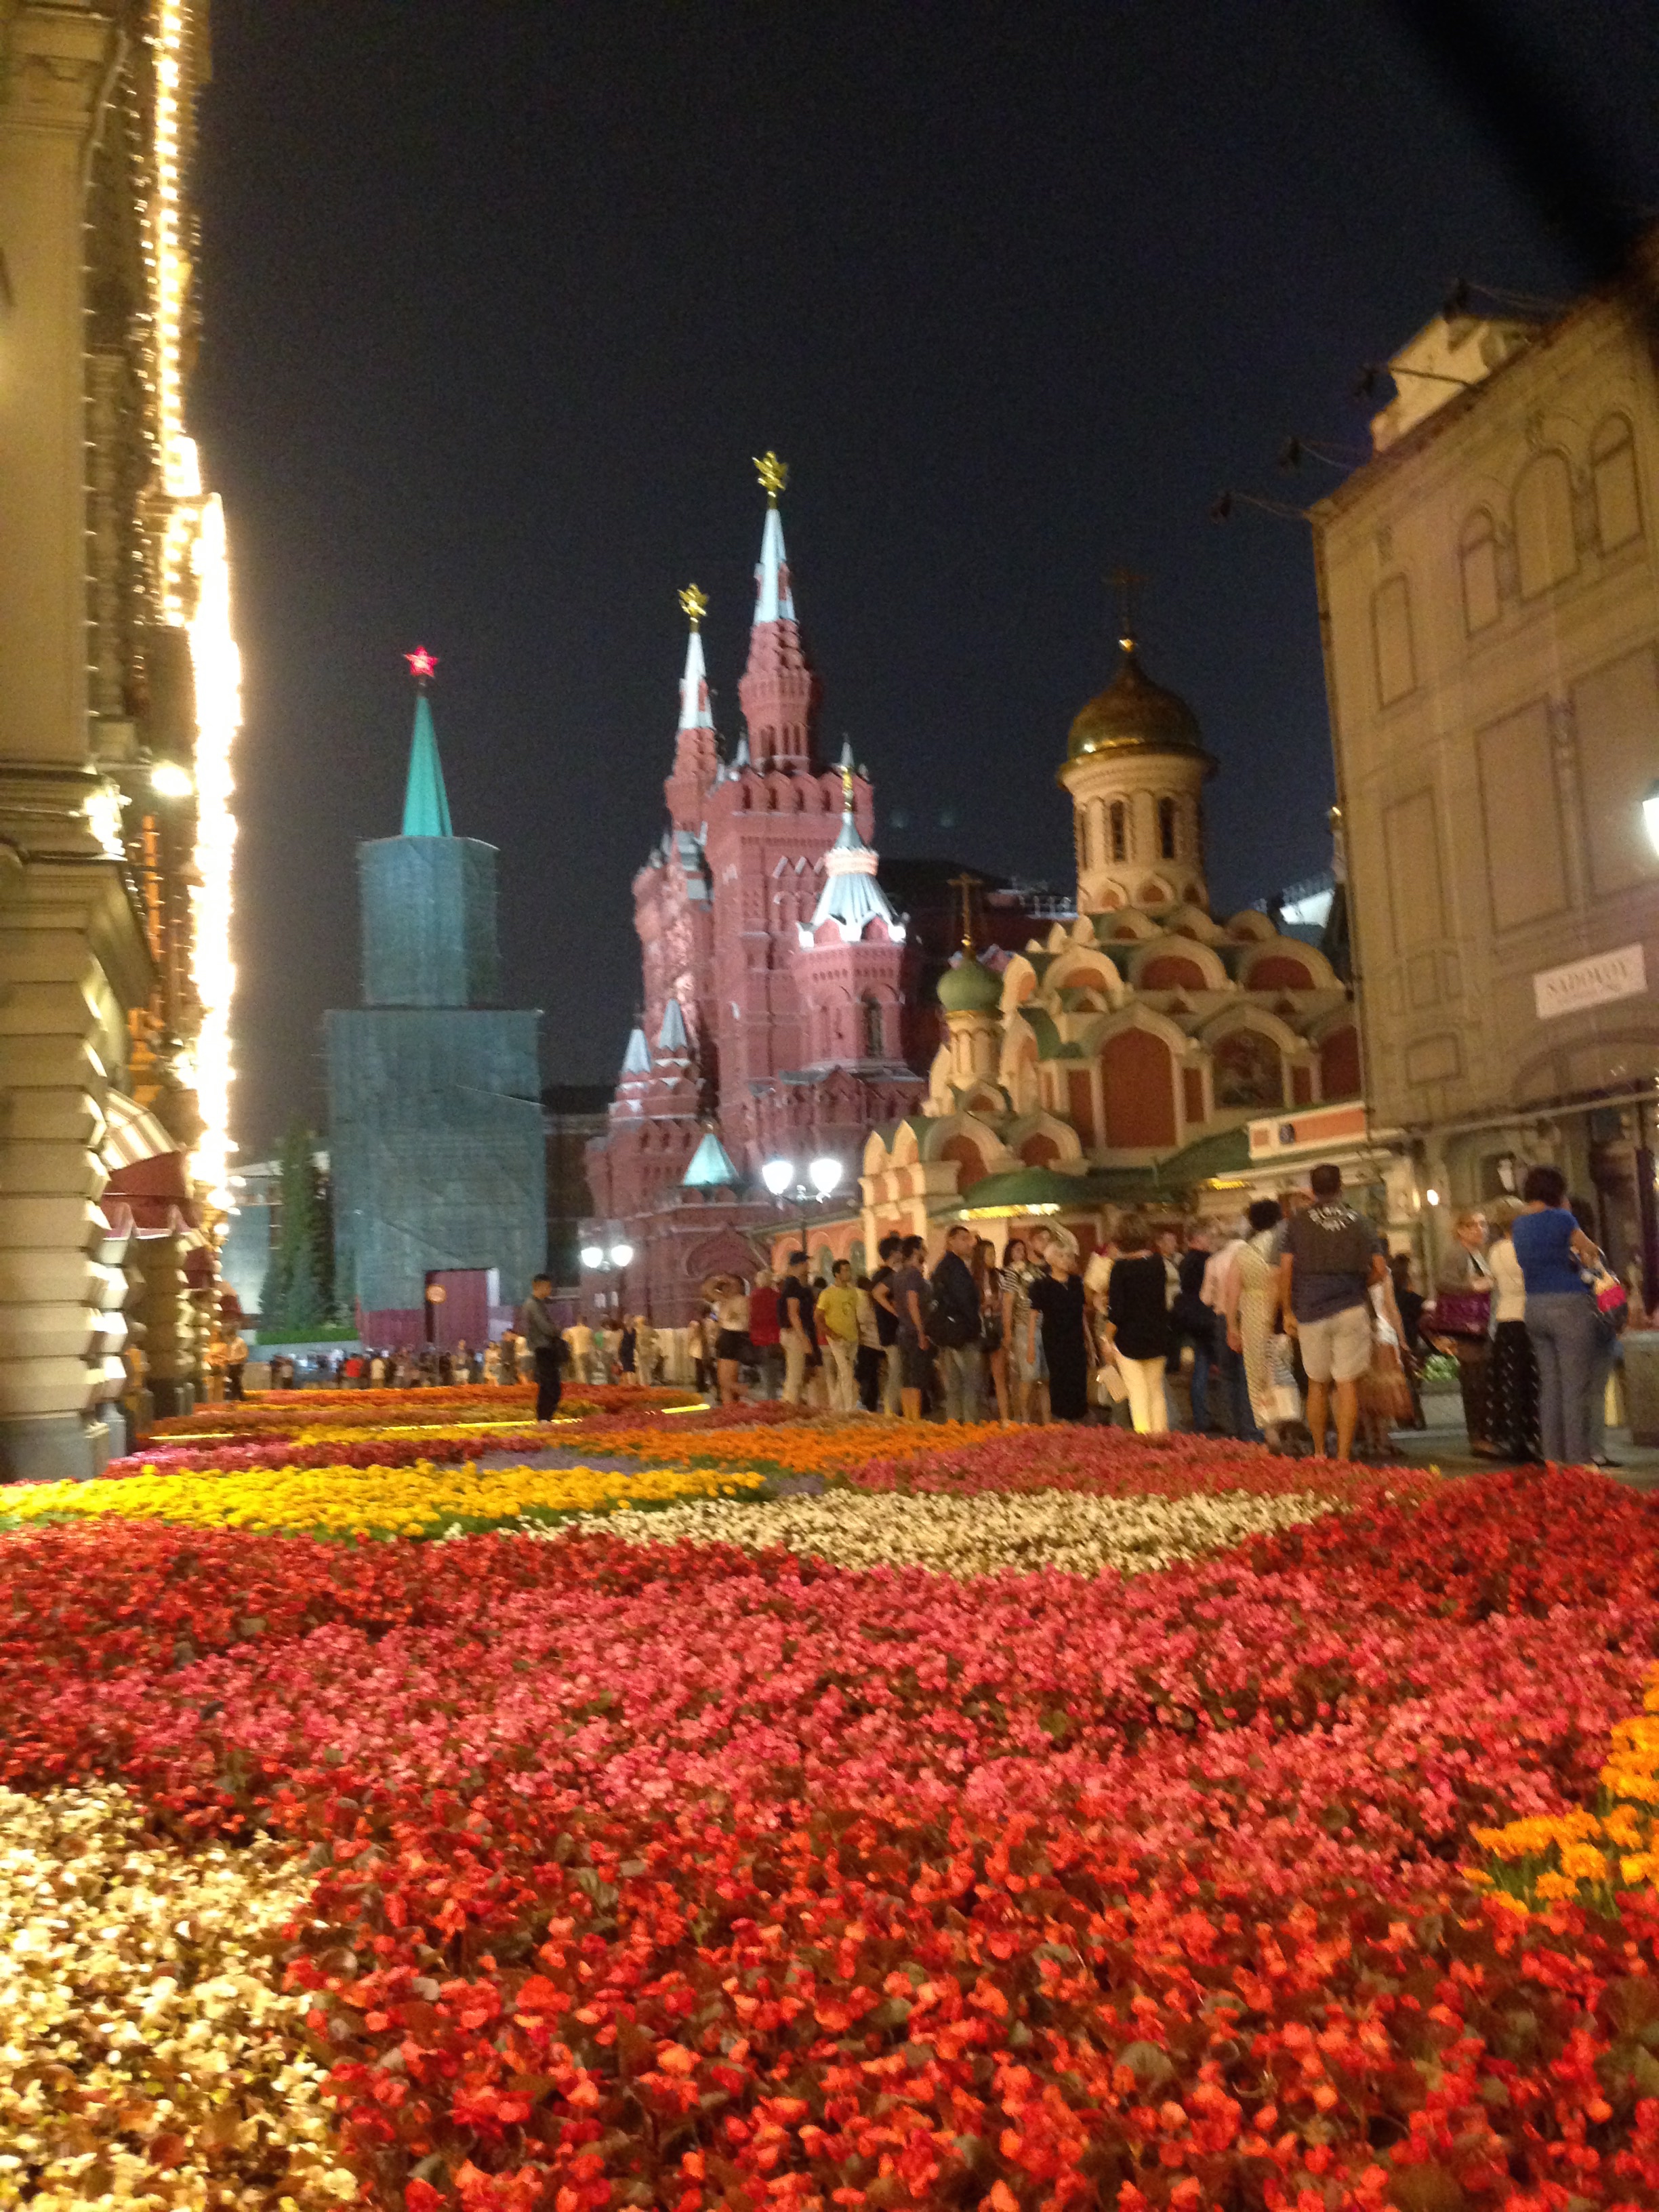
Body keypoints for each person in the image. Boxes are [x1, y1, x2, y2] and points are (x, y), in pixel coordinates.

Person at [1277, 1163, 1387, 1462]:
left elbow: (1285, 1269)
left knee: (1316, 1383)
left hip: (1311, 1310)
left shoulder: (1297, 1224)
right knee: (1347, 1383)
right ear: (1341, 1188)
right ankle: (1343, 1456)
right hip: (1351, 1307)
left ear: (1312, 1190)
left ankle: (1320, 1452)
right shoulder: (1360, 1221)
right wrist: (1360, 1286)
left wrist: (1287, 1309)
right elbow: (1380, 1269)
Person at [1513, 1164, 1602, 1465]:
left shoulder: (1519, 1224)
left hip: (1534, 1307)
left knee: (1550, 1387)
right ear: (1556, 1190)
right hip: (1568, 1305)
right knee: (1574, 1388)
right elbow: (1591, 1251)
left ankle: (1552, 1460)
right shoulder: (1562, 1218)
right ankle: (1577, 1461)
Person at [1429, 1209, 1496, 1456]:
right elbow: (1444, 1283)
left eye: (1483, 1224)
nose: (1481, 1229)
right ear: (1460, 1230)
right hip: (1467, 1325)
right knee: (1474, 1378)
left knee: (1481, 1377)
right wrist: (1474, 1286)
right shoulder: (1457, 1253)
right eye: (1473, 1225)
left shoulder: (1476, 1253)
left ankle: (1483, 1433)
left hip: (1479, 1324)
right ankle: (1478, 1436)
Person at [1484, 1197, 1540, 1462]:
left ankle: (1511, 1436)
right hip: (1525, 1316)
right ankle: (1530, 1436)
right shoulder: (1524, 1247)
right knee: (1529, 1381)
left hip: (1505, 1318)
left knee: (1510, 1382)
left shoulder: (1495, 1250)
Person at [1104, 1212, 1171, 1434]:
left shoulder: (1120, 1269)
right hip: (1157, 1333)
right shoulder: (1158, 1263)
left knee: (1137, 1392)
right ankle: (1160, 1434)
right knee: (1155, 1390)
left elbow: (1117, 1311)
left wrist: (1107, 1338)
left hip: (1129, 1338)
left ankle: (1144, 1438)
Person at [1225, 1199, 1282, 1446]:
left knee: (1258, 1374)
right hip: (1281, 1312)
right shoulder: (1286, 1246)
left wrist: (1232, 1327)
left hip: (1253, 1315)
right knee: (1284, 1373)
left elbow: (1232, 1292)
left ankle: (1270, 1432)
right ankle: (1291, 1426)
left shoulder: (1243, 1252)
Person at [1028, 1243, 1094, 1422]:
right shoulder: (1042, 1285)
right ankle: (1062, 1419)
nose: (1066, 1261)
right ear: (1051, 1261)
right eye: (1062, 1257)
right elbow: (1034, 1316)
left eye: (1068, 1257)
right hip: (1055, 1339)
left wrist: (1089, 1339)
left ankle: (1078, 1416)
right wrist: (1031, 1346)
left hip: (1075, 1337)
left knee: (1078, 1377)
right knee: (1059, 1378)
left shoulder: (1076, 1283)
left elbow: (1082, 1313)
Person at [928, 1225, 985, 1423]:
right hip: (962, 1333)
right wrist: (974, 1326)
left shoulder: (942, 1266)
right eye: (963, 1239)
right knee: (970, 1382)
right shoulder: (956, 1268)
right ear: (950, 1241)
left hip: (948, 1333)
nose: (969, 1244)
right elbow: (965, 1301)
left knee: (954, 1383)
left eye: (969, 1239)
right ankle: (969, 1425)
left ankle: (954, 1425)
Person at [1170, 1223, 1216, 1433]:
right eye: (1209, 1237)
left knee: (1199, 1365)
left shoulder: (1184, 1261)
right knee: (1203, 1366)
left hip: (1188, 1318)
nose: (1212, 1242)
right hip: (1204, 1318)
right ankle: (1203, 1416)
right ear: (1198, 1238)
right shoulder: (1205, 1261)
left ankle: (1201, 1415)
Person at [1001, 1234, 1046, 1425]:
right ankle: (1024, 1418)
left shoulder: (1036, 1270)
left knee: (1043, 1377)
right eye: (1016, 1250)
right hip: (1024, 1324)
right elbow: (1008, 1302)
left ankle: (1045, 1419)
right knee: (1028, 1375)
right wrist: (1008, 1332)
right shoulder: (1013, 1272)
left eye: (1022, 1249)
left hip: (1043, 1325)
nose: (1021, 1253)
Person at [893, 1235, 932, 1420]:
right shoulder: (914, 1275)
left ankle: (908, 1418)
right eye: (923, 1248)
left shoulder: (899, 1274)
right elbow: (912, 1302)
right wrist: (921, 1332)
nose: (926, 1251)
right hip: (913, 1332)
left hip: (902, 1330)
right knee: (916, 1378)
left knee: (906, 1378)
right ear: (916, 1251)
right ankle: (915, 1419)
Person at [517, 1272, 565, 1422]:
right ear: (540, 1286)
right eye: (548, 1286)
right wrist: (557, 1330)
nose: (550, 1289)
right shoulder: (532, 1304)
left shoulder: (538, 1303)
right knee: (550, 1384)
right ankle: (544, 1417)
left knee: (549, 1384)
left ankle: (545, 1418)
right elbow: (545, 1327)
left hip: (545, 1348)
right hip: (543, 1348)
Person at [817, 1259, 861, 1412]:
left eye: (849, 1270)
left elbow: (854, 1314)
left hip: (852, 1338)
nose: (848, 1273)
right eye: (845, 1270)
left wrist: (858, 1333)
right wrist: (831, 1334)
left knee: (846, 1374)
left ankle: (836, 1407)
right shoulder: (827, 1294)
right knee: (846, 1372)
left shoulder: (853, 1292)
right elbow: (818, 1317)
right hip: (837, 1338)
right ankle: (849, 1408)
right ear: (837, 1274)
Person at [868, 1235, 903, 1414]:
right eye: (900, 1249)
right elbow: (878, 1295)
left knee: (895, 1371)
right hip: (892, 1330)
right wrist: (897, 1311)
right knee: (896, 1372)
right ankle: (891, 1412)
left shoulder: (878, 1275)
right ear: (893, 1253)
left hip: (887, 1330)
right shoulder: (887, 1276)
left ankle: (893, 1409)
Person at [976, 1237, 1009, 1422]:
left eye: (994, 1253)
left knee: (1000, 1376)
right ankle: (983, 1418)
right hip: (980, 1329)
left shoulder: (999, 1277)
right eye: (989, 1254)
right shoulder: (975, 1278)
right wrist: (984, 1305)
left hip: (996, 1327)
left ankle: (1004, 1417)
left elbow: (1006, 1302)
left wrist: (998, 1304)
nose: (993, 1257)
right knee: (979, 1378)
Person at [778, 1253, 815, 1406]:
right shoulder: (793, 1286)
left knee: (795, 1375)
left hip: (790, 1333)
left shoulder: (790, 1284)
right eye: (805, 1263)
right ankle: (790, 1408)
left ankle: (791, 1405)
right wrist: (804, 1339)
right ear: (799, 1265)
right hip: (795, 1334)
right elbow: (793, 1314)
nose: (808, 1266)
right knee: (796, 1377)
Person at [712, 1275, 751, 1408]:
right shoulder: (726, 1301)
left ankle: (751, 1394)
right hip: (726, 1337)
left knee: (726, 1381)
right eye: (726, 1285)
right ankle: (729, 1408)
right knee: (724, 1381)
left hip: (733, 1338)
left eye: (732, 1285)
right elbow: (706, 1289)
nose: (727, 1287)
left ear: (741, 1287)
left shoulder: (741, 1300)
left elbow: (738, 1319)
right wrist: (717, 1280)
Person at [747, 1270, 783, 1399]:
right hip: (776, 1338)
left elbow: (749, 1318)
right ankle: (775, 1396)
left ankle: (770, 1398)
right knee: (776, 1369)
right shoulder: (777, 1296)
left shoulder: (752, 1297)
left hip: (758, 1339)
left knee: (764, 1370)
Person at [853, 1274, 884, 1410]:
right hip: (877, 1342)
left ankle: (868, 1403)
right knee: (874, 1376)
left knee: (867, 1375)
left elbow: (862, 1319)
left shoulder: (861, 1298)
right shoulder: (871, 1298)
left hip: (866, 1342)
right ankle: (873, 1402)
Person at [563, 1312, 595, 1385]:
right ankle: (589, 1385)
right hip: (588, 1352)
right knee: (588, 1371)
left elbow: (567, 1342)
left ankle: (584, 1387)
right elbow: (593, 1343)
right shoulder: (590, 1331)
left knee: (580, 1371)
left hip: (577, 1352)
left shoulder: (571, 1331)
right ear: (586, 1321)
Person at [224, 1330, 249, 1402]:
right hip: (231, 1364)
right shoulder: (230, 1343)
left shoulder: (240, 1342)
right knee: (233, 1381)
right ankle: (236, 1397)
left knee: (236, 1381)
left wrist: (235, 1359)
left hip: (238, 1364)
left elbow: (245, 1354)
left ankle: (241, 1397)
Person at [618, 1315, 638, 1380]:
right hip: (629, 1351)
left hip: (627, 1351)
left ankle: (630, 1382)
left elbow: (619, 1342)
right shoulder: (633, 1331)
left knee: (628, 1368)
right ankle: (631, 1382)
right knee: (630, 1368)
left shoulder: (624, 1331)